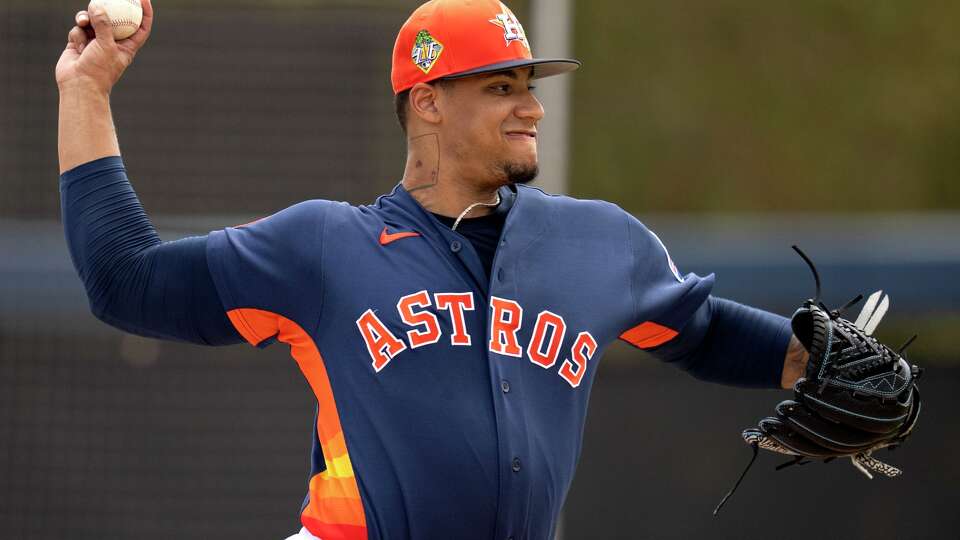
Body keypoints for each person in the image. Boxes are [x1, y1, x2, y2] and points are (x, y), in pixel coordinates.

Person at [56, 1, 809, 538]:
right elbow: (125, 280)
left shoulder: (597, 243)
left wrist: (816, 366)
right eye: (501, 87)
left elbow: (702, 331)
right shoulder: (322, 249)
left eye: (529, 86)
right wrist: (86, 90)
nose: (531, 109)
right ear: (428, 103)